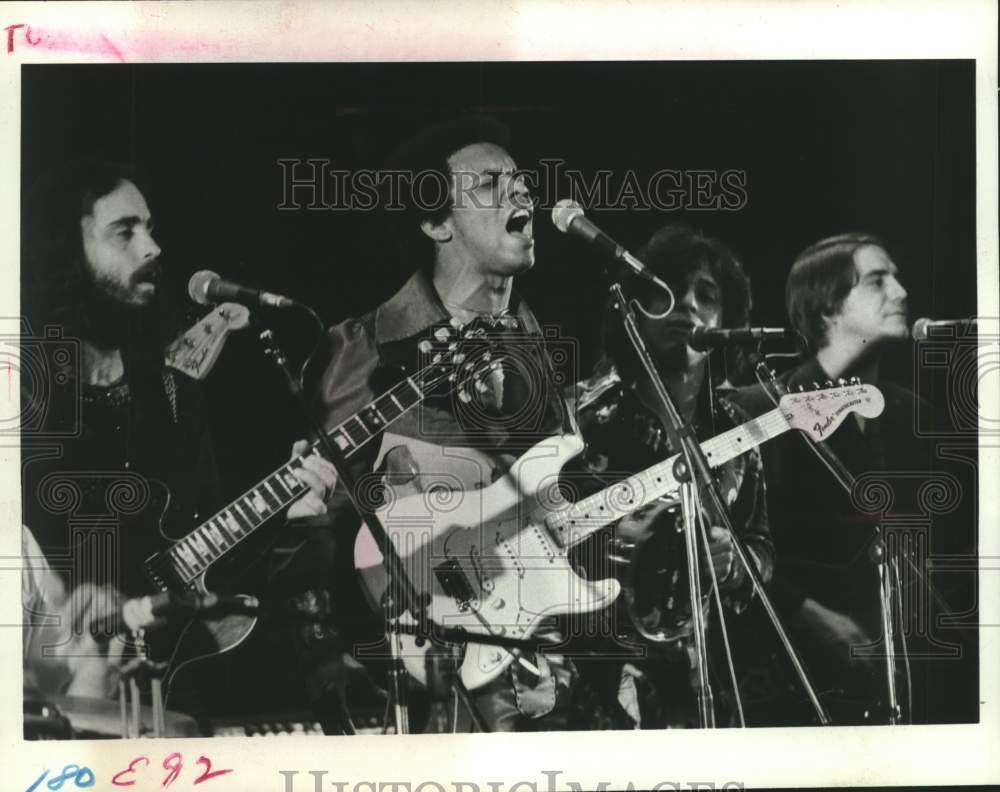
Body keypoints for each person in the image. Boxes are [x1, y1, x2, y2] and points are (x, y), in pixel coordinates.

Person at [270, 117, 576, 732]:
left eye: (520, 181)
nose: (522, 192)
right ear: (437, 224)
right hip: (419, 688)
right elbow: (316, 518)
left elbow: (545, 512)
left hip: (536, 671)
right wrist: (324, 665)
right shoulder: (364, 348)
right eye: (490, 184)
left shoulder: (534, 343)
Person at [20, 161, 336, 708]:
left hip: (168, 683)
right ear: (65, 249)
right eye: (125, 232)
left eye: (150, 227)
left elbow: (208, 546)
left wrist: (287, 515)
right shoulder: (21, 386)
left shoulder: (169, 386)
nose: (153, 247)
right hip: (47, 680)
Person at [728, 232, 947, 724]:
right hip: (788, 682)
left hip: (899, 678)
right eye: (877, 281)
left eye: (895, 279)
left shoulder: (916, 414)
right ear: (827, 305)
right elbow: (735, 548)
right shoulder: (761, 409)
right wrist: (811, 615)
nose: (901, 292)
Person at [566, 224, 774, 728]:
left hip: (698, 685)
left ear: (726, 320)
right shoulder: (584, 418)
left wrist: (734, 563)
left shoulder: (737, 433)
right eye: (669, 292)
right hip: (593, 686)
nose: (688, 306)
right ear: (635, 309)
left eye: (707, 296)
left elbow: (762, 551)